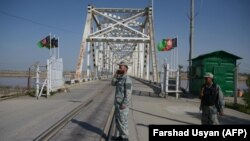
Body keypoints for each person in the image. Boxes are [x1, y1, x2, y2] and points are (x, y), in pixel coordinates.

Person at [111, 61, 133, 141]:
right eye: (119, 66)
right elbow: (112, 83)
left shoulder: (127, 79)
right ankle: (121, 136)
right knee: (118, 121)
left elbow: (128, 93)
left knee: (123, 122)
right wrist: (115, 75)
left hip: (122, 105)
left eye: (121, 66)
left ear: (126, 68)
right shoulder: (120, 78)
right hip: (117, 103)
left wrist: (125, 103)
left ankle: (125, 138)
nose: (119, 67)